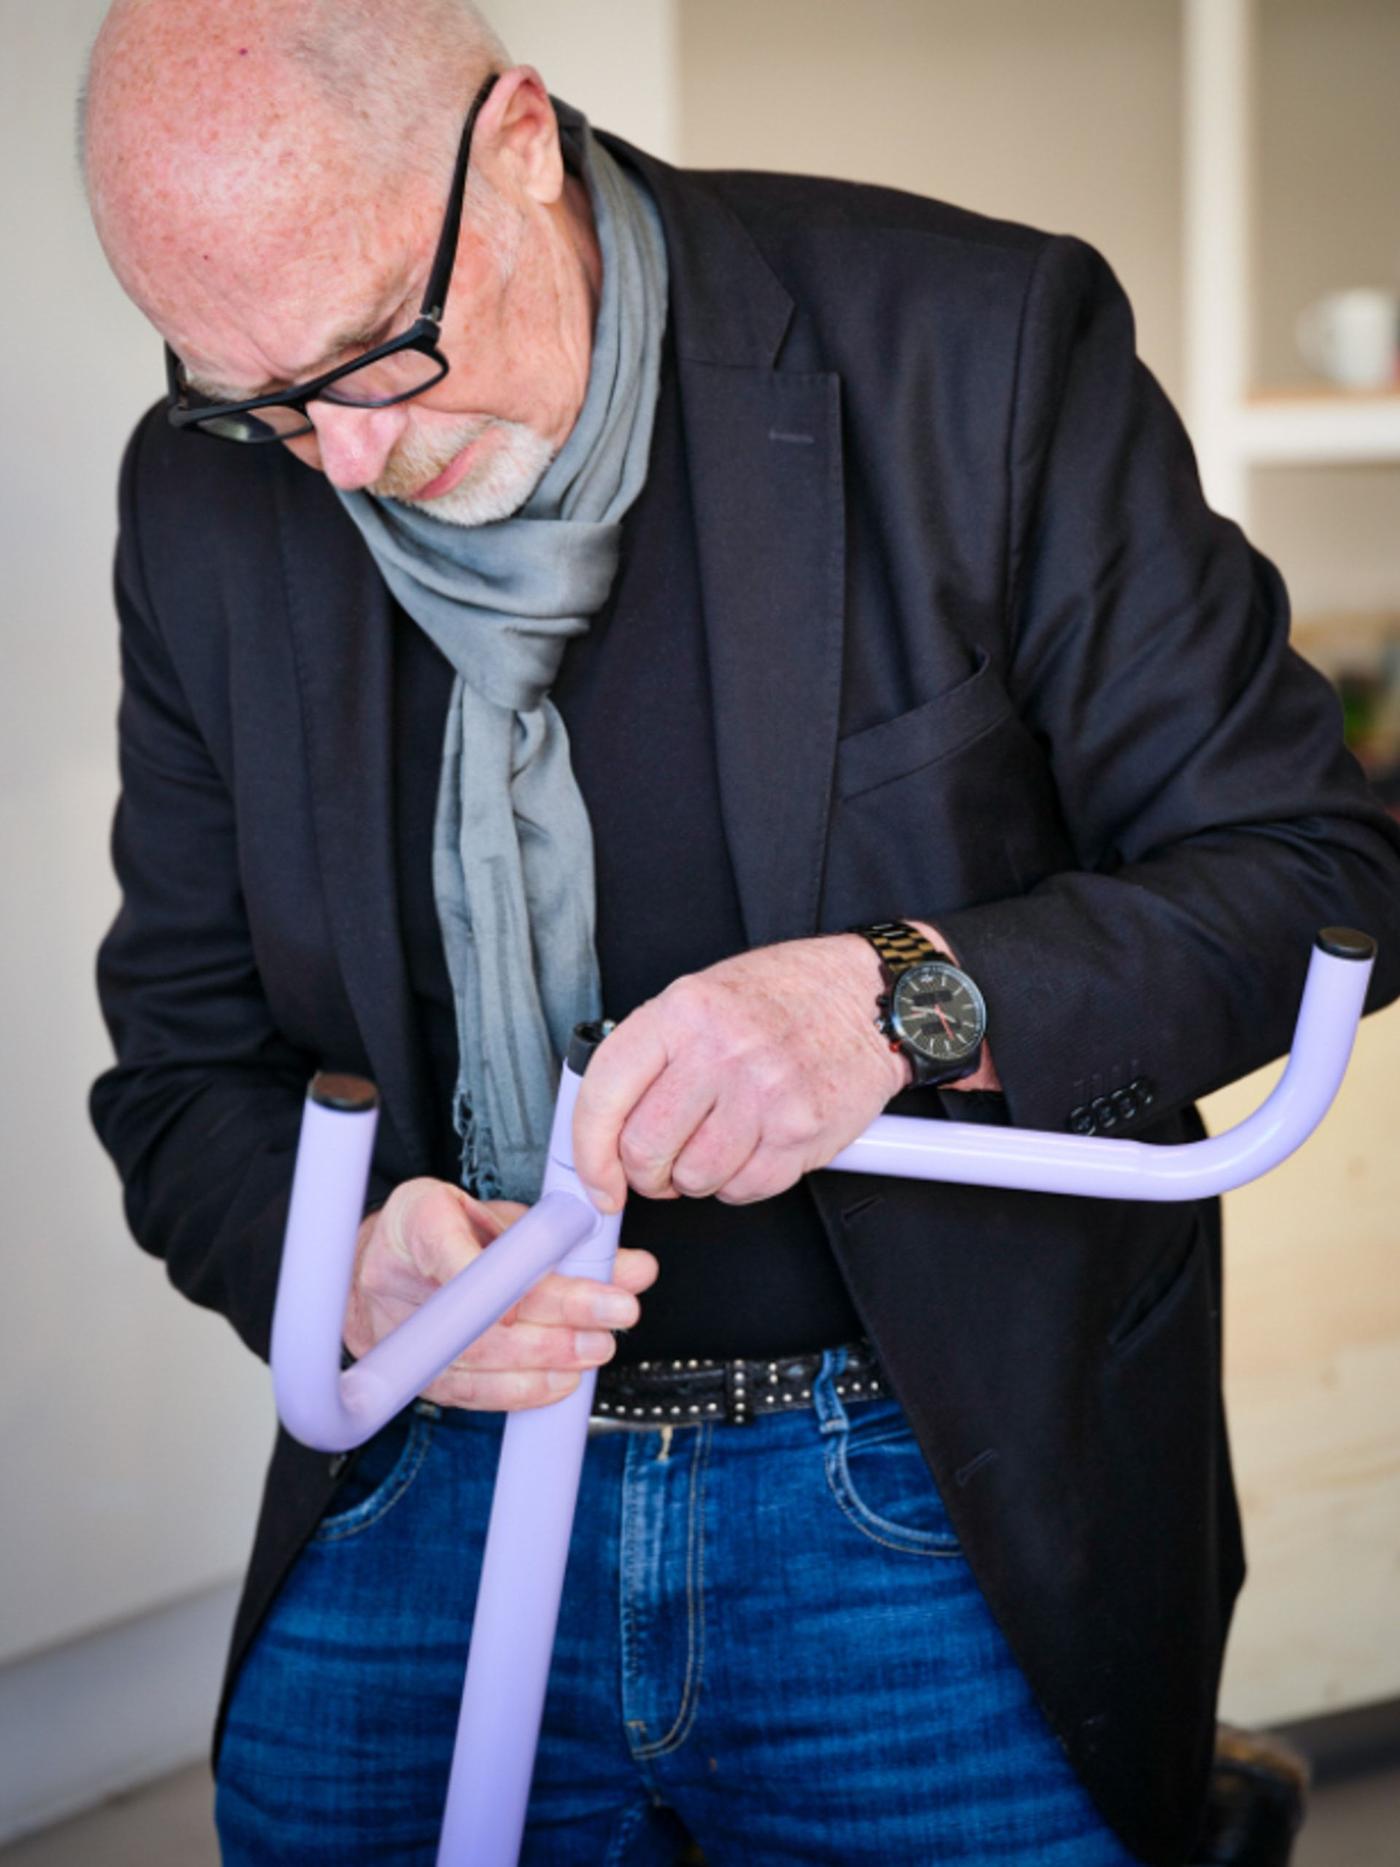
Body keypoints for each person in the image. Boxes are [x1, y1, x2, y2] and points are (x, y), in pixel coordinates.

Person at [81, 2, 1400, 1863]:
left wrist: (904, 1000)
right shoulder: (202, 496)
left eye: (382, 354)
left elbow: (1315, 865)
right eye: (257, 396)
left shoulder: (975, 347)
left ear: (518, 141)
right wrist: (350, 1276)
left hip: (921, 1488)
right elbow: (179, 1074)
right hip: (415, 1477)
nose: (343, 460)